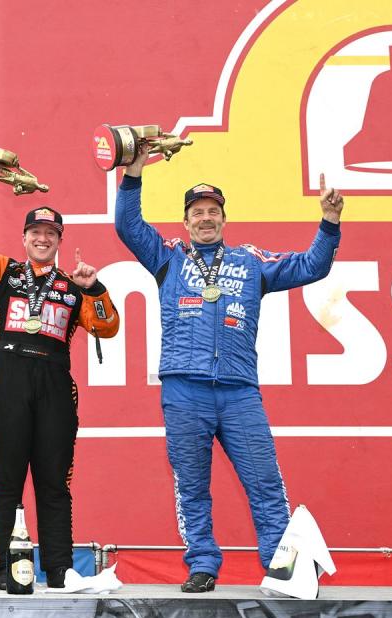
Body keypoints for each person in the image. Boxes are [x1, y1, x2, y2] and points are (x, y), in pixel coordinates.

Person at [114, 149, 344, 592]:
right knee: (192, 487)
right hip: (184, 390)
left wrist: (329, 222)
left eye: (213, 212)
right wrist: (134, 171)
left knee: (266, 484)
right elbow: (128, 226)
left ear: (224, 219)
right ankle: (202, 563)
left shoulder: (250, 261)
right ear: (185, 222)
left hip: (239, 392)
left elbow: (312, 266)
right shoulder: (168, 257)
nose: (205, 218)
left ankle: (282, 568)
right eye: (197, 212)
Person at [0, 165, 120, 589]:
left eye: (51, 233)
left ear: (60, 241)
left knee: (54, 480)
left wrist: (95, 289)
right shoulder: (1, 271)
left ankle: (60, 570)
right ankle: (5, 568)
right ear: (25, 238)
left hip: (54, 382)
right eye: (36, 232)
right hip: (7, 376)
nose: (43, 239)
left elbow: (107, 326)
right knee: (4, 476)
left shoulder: (72, 283)